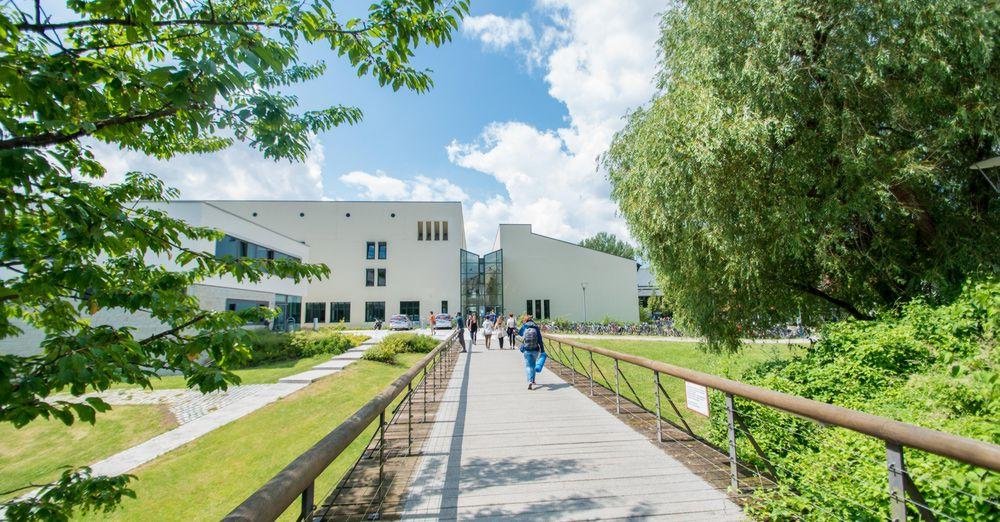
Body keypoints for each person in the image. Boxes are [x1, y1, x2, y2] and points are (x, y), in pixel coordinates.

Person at [519, 314, 545, 389]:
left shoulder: (525, 326)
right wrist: (542, 350)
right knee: (533, 365)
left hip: (527, 349)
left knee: (528, 366)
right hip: (535, 349)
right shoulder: (536, 327)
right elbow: (540, 339)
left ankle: (530, 381)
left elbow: (520, 334)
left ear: (525, 320)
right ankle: (533, 380)